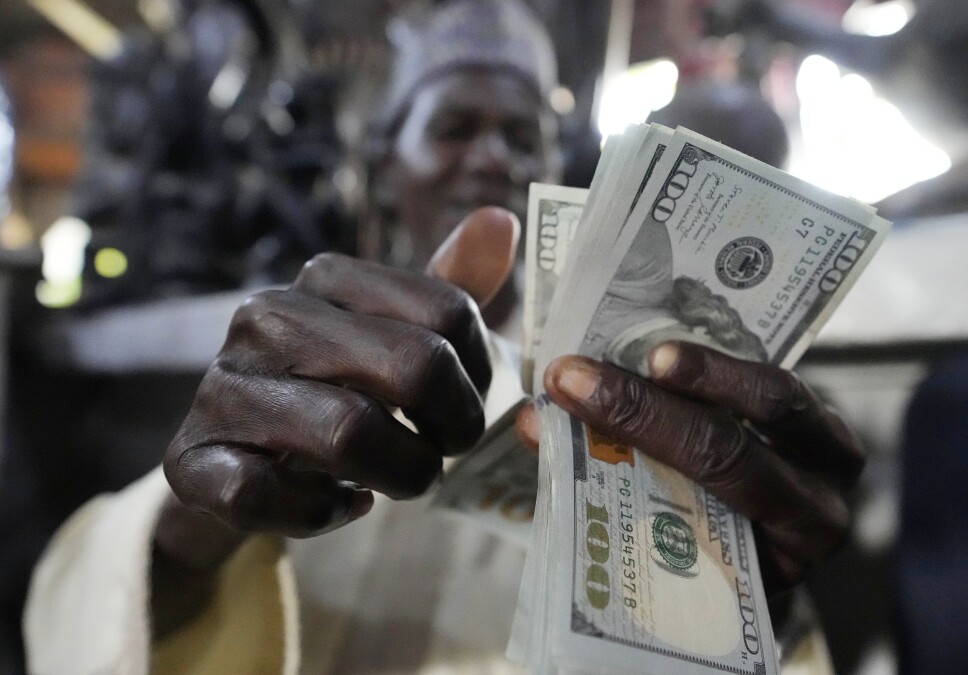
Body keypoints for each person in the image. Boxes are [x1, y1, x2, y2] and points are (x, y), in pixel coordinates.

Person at [23, 1, 863, 672]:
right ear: (385, 166)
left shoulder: (643, 373)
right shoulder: (286, 346)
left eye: (520, 135)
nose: (491, 156)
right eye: (455, 127)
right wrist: (189, 527)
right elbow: (80, 625)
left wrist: (749, 604)